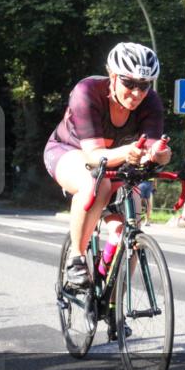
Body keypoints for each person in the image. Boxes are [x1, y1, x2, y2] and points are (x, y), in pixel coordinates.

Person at [44, 42, 171, 291]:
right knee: (96, 183)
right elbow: (93, 157)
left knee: (130, 229)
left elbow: (153, 150)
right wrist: (129, 151)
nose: (136, 93)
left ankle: (115, 305)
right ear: (113, 76)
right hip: (71, 151)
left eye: (144, 86)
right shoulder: (87, 91)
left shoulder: (151, 102)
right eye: (129, 83)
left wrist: (160, 156)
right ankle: (77, 259)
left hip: (118, 160)